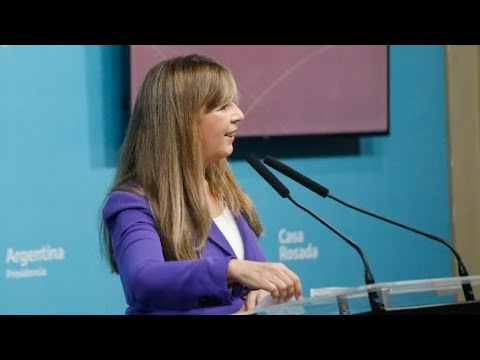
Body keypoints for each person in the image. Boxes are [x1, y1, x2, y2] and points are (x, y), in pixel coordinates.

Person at [100, 54, 302, 315]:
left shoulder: (227, 194)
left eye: (234, 104)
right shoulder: (132, 202)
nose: (238, 115)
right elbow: (143, 279)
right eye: (222, 106)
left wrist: (264, 292)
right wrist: (231, 269)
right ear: (180, 121)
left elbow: (256, 276)